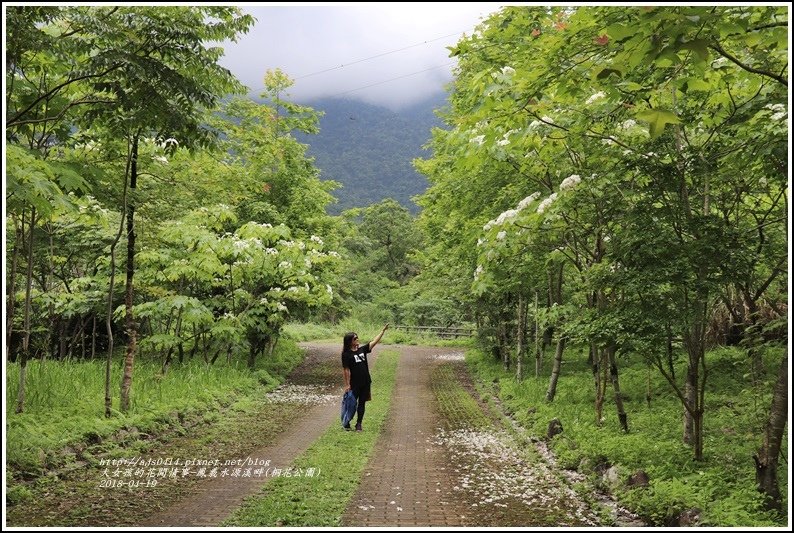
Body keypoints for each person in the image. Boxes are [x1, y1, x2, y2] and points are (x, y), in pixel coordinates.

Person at [341, 324, 389, 431]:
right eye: (355, 338)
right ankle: (347, 421)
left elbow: (374, 342)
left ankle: (359, 424)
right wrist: (347, 384)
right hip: (354, 383)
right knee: (351, 404)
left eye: (357, 337)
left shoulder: (362, 350)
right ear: (350, 341)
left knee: (362, 403)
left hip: (366, 382)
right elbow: (346, 370)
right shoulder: (346, 354)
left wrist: (383, 331)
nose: (357, 339)